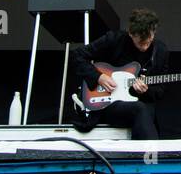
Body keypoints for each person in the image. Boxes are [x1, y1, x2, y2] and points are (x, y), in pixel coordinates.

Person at [72, 9, 168, 140]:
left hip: (141, 106)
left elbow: (160, 91)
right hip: (109, 103)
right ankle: (151, 155)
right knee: (141, 109)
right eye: (140, 42)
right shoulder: (114, 39)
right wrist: (98, 77)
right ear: (131, 33)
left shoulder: (160, 51)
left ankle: (146, 155)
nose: (145, 46)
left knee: (145, 109)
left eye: (149, 40)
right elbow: (78, 55)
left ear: (154, 32)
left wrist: (145, 90)